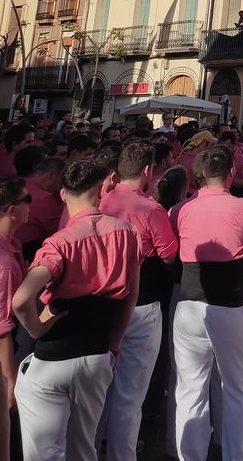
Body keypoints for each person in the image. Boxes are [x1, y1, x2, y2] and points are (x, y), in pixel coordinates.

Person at [12, 159, 141, 461]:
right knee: (84, 448)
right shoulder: (128, 233)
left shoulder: (60, 243)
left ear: (62, 195)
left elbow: (20, 300)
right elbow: (130, 297)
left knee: (44, 452)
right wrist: (114, 346)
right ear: (100, 191)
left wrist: (36, 328)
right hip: (97, 352)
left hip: (54, 353)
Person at [170, 145, 243, 461]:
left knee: (190, 391)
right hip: (228, 307)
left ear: (197, 176)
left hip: (189, 306)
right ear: (231, 174)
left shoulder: (180, 210)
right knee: (238, 390)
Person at [99, 140, 179, 461]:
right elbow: (170, 255)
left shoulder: (102, 201)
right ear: (148, 170)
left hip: (102, 301)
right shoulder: (150, 208)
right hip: (141, 302)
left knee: (100, 388)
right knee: (130, 393)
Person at [0, 177, 29, 440]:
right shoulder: (4, 263)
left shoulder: (9, 249)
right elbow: (1, 331)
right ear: (12, 210)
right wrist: (9, 386)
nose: (32, 204)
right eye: (26, 200)